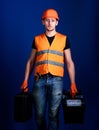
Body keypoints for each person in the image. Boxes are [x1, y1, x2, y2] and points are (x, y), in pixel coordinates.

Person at [20, 8, 78, 130]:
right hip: (39, 80)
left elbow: (69, 62)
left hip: (56, 81)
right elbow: (31, 61)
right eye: (47, 20)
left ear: (57, 22)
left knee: (53, 115)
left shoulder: (64, 39)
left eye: (53, 20)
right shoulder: (37, 39)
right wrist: (25, 79)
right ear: (43, 22)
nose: (50, 23)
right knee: (39, 115)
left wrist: (73, 82)